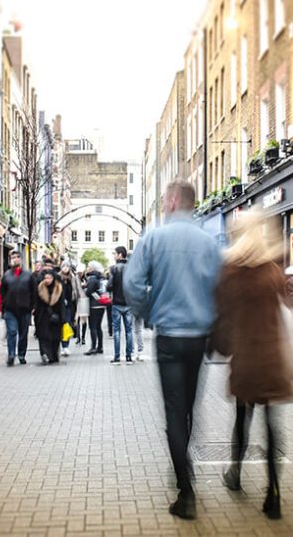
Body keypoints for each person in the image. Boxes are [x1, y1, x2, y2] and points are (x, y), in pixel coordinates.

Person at [124, 180, 222, 520]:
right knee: (190, 406)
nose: (164, 204)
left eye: (165, 198)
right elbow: (220, 289)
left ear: (175, 200)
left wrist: (149, 311)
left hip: (168, 336)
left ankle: (186, 491)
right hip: (199, 337)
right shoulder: (210, 242)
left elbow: (132, 284)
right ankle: (185, 466)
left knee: (173, 411)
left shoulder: (153, 238)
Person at [210, 210, 293, 520]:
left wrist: (220, 347)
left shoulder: (229, 272)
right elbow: (288, 307)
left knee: (242, 420)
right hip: (273, 359)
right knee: (272, 425)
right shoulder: (273, 271)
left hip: (245, 358)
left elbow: (221, 318)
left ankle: (235, 473)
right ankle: (273, 493)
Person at [0, 251, 35, 366]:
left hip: (25, 309)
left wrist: (32, 306)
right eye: (12, 257)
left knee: (23, 333)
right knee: (12, 332)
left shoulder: (28, 275)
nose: (14, 259)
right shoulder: (7, 275)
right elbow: (2, 292)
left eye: (17, 257)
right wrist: (3, 307)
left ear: (20, 259)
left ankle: (21, 354)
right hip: (10, 309)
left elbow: (34, 292)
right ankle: (11, 355)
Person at [107, 246, 134, 364]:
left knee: (117, 331)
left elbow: (109, 285)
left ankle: (117, 357)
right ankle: (129, 357)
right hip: (129, 303)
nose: (114, 256)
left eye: (115, 254)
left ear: (120, 255)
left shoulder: (113, 268)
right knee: (129, 331)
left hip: (117, 304)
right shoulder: (132, 268)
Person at [34, 269, 66, 364]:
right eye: (46, 278)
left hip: (56, 317)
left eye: (49, 278)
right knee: (44, 336)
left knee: (55, 338)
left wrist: (62, 317)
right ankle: (46, 354)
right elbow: (37, 303)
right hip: (43, 316)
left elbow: (62, 304)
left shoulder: (58, 289)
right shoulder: (40, 288)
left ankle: (54, 355)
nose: (47, 280)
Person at [83, 261, 106, 355]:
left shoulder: (92, 278)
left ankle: (93, 347)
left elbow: (89, 292)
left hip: (93, 305)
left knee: (93, 326)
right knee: (98, 326)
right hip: (101, 304)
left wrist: (85, 289)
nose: (87, 268)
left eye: (88, 266)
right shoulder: (100, 277)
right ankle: (100, 347)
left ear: (92, 268)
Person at [59, 261, 81, 356]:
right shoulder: (58, 277)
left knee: (67, 325)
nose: (65, 268)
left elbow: (77, 290)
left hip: (70, 305)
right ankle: (62, 345)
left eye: (67, 266)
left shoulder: (73, 278)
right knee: (61, 325)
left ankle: (65, 346)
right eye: (64, 266)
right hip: (60, 305)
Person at [76, 269, 90, 346]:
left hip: (84, 301)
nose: (80, 274)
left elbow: (89, 289)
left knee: (84, 321)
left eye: (81, 272)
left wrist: (85, 287)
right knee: (77, 320)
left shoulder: (86, 279)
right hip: (77, 301)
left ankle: (83, 337)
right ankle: (78, 337)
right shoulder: (75, 279)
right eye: (79, 272)